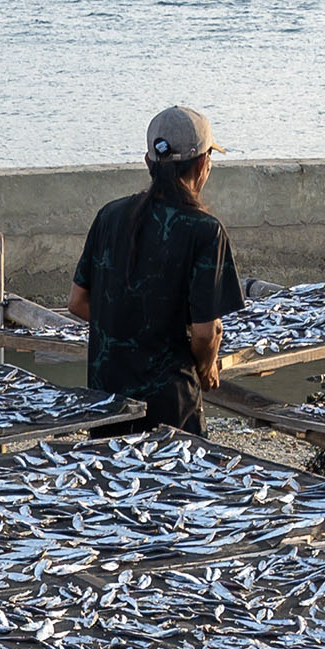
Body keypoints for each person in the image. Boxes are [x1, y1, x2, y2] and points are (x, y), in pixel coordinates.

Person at [69, 107, 245, 433]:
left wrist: (128, 328)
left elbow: (78, 302)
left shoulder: (109, 216)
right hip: (171, 407)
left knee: (110, 481)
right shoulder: (205, 231)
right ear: (203, 164)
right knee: (177, 482)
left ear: (149, 163)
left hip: (107, 400)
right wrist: (206, 370)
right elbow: (207, 333)